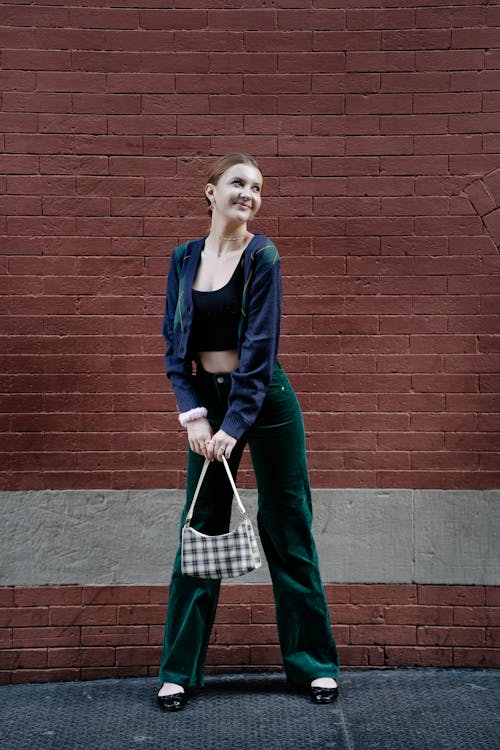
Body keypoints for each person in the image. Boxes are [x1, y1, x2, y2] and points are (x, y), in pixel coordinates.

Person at [158, 153, 340, 712]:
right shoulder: (184, 258)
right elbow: (174, 347)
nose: (248, 194)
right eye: (237, 183)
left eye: (257, 188)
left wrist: (234, 425)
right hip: (210, 406)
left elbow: (260, 350)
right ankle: (179, 673)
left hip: (266, 400)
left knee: (287, 524)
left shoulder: (263, 255)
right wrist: (196, 415)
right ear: (209, 191)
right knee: (202, 530)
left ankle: (313, 666)